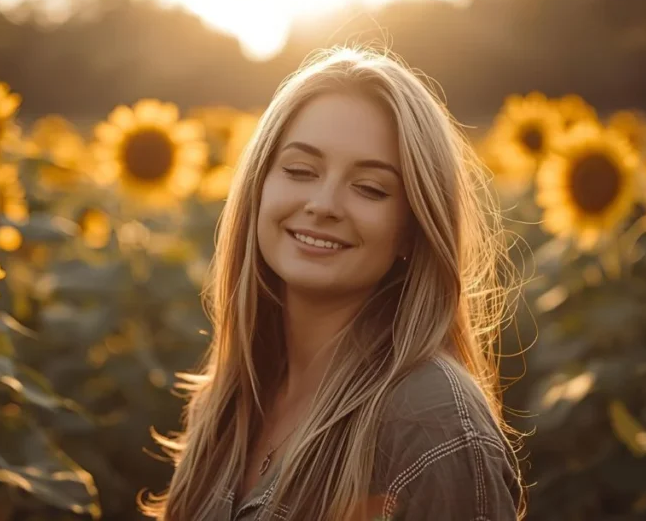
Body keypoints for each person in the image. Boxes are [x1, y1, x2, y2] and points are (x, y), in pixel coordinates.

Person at [142, 46, 525, 521]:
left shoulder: (432, 427)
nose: (323, 204)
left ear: (413, 225)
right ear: (259, 187)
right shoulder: (230, 399)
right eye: (301, 171)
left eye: (370, 188)